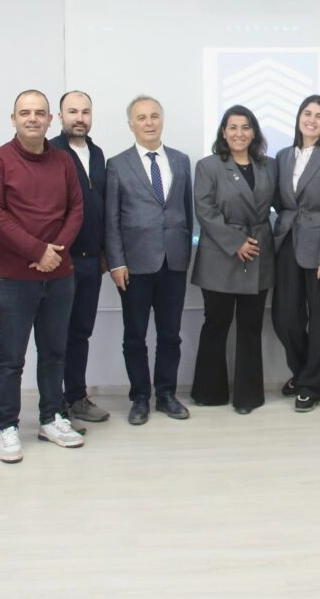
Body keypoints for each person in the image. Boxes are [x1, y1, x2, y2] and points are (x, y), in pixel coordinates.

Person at [0, 90, 84, 463]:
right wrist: (37, 251)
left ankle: (51, 418)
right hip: (13, 278)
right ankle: (6, 426)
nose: (33, 118)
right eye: (25, 113)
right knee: (11, 358)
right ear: (14, 119)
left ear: (50, 120)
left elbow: (76, 209)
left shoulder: (64, 161)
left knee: (54, 353)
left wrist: (54, 253)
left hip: (59, 276)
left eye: (40, 113)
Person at [105, 95, 193, 425]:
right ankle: (140, 397)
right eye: (141, 117)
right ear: (131, 124)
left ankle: (166, 394)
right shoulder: (117, 164)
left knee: (171, 335)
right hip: (134, 265)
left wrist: (185, 253)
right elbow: (111, 218)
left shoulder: (181, 161)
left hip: (174, 261)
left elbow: (186, 211)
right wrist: (116, 262)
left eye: (154, 116)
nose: (149, 122)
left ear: (162, 120)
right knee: (135, 336)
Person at [190, 106, 277, 414]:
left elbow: (281, 203)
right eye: (233, 127)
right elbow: (205, 211)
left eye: (245, 127)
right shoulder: (208, 166)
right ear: (223, 132)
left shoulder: (269, 166)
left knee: (251, 326)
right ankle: (208, 392)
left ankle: (248, 396)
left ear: (254, 132)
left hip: (258, 251)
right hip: (220, 254)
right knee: (216, 323)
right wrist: (235, 242)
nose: (239, 133)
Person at [273, 95, 320, 412]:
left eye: (319, 116)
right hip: (287, 243)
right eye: (307, 113)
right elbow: (276, 200)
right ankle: (304, 372)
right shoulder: (282, 156)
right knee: (284, 318)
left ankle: (312, 387)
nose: (312, 120)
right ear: (299, 117)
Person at [49, 90, 108, 428]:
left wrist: (104, 252)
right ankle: (54, 404)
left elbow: (102, 206)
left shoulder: (97, 154)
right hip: (61, 260)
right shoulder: (51, 152)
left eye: (85, 111)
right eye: (72, 112)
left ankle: (77, 397)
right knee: (56, 336)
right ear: (60, 117)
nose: (79, 118)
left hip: (91, 261)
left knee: (81, 333)